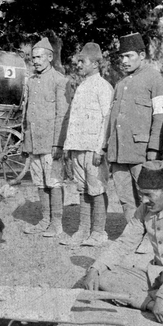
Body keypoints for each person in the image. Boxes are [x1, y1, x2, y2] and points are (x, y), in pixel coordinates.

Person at [82, 161, 163, 323]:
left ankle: (152, 299)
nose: (144, 200)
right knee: (103, 277)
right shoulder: (145, 209)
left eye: (149, 195)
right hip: (159, 274)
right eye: (141, 194)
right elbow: (125, 242)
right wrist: (95, 268)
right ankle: (151, 304)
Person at [105, 33, 163, 224]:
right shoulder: (121, 83)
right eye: (122, 57)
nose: (124, 61)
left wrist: (154, 150)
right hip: (118, 153)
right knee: (126, 199)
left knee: (149, 198)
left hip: (142, 154)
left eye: (129, 56)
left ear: (142, 55)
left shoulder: (155, 80)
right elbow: (112, 120)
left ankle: (151, 236)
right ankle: (133, 233)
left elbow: (161, 119)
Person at [60, 42, 114, 247]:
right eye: (78, 61)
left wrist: (101, 149)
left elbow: (107, 120)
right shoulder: (81, 86)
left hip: (93, 149)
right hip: (78, 148)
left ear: (96, 64)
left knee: (96, 189)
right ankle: (83, 230)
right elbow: (74, 120)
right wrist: (68, 147)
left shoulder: (103, 87)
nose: (79, 65)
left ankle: (98, 232)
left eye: (83, 61)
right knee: (82, 190)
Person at [22, 37, 70, 238]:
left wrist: (58, 144)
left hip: (51, 143)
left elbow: (62, 115)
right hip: (34, 142)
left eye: (39, 57)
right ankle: (45, 220)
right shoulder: (31, 81)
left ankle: (56, 223)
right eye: (33, 58)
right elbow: (26, 114)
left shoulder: (60, 80)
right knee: (39, 182)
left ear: (50, 57)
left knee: (54, 182)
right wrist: (25, 142)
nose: (35, 61)